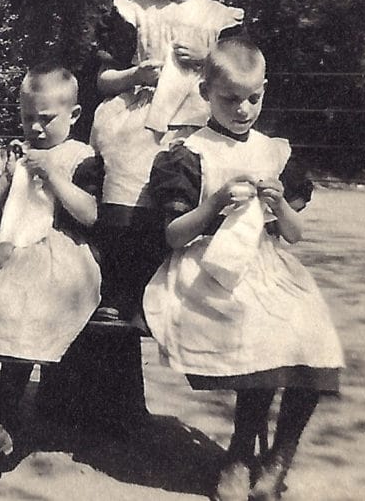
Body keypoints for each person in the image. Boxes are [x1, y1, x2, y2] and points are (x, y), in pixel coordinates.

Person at [143, 38, 344, 501]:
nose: (243, 109)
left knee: (313, 334)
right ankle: (238, 452)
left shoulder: (274, 151)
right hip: (207, 264)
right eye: (231, 99)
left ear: (264, 90)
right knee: (258, 331)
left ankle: (279, 454)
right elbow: (173, 235)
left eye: (254, 98)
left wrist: (278, 205)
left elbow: (293, 234)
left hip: (266, 262)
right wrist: (213, 202)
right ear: (204, 91)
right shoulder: (190, 151)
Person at [81, 0, 245, 434]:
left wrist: (209, 59)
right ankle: (112, 381)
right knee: (124, 210)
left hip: (195, 127)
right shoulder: (131, 11)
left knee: (191, 209)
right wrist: (135, 73)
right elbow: (99, 78)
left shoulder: (219, 18)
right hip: (137, 120)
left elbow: (245, 76)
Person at [0, 62, 103, 472]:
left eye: (46, 119)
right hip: (9, 248)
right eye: (28, 117)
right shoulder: (19, 154)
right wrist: (7, 179)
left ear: (74, 116)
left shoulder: (79, 157)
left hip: (60, 253)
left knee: (22, 306)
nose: (36, 128)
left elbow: (89, 214)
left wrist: (53, 177)